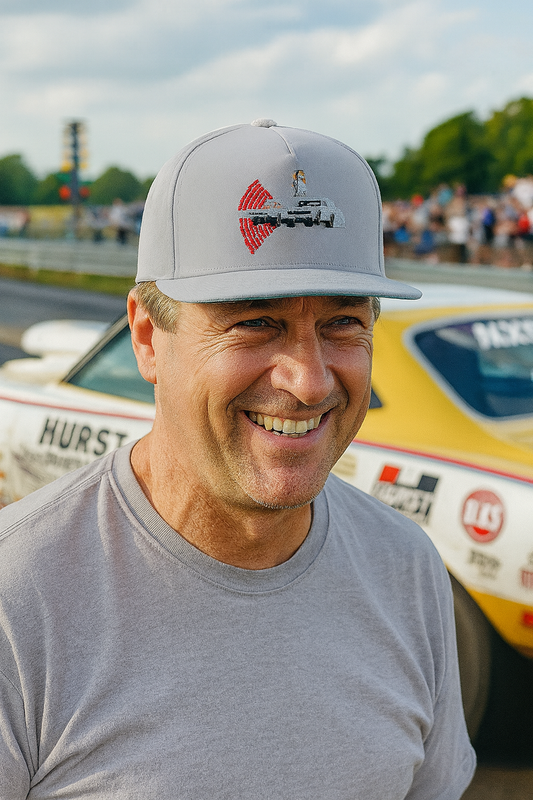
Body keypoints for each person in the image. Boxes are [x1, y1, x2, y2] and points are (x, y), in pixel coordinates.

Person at [0, 119, 475, 799]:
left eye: (343, 323)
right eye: (255, 322)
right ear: (147, 338)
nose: (309, 381)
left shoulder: (404, 565)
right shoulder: (17, 600)